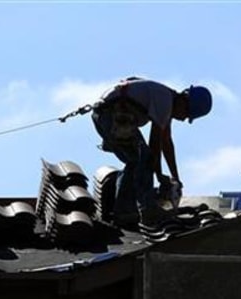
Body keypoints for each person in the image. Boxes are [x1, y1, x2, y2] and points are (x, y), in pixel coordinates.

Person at [91, 77, 212, 227]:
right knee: (143, 158)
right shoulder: (164, 101)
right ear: (183, 100)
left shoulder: (167, 102)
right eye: (186, 113)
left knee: (136, 159)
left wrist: (175, 178)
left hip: (112, 115)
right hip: (110, 115)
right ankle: (140, 210)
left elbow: (166, 143)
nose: (183, 118)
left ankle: (127, 208)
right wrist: (159, 175)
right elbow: (155, 144)